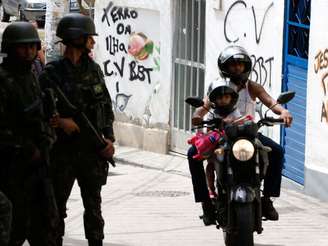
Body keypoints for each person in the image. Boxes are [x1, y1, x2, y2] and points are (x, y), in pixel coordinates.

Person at [188, 45, 293, 225]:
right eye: (233, 65)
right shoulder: (218, 87)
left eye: (240, 65)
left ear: (246, 67)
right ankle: (206, 202)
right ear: (225, 67)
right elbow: (204, 107)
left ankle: (267, 198)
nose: (237, 68)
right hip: (220, 134)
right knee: (192, 155)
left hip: (248, 134)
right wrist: (198, 116)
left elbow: (270, 102)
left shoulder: (252, 87)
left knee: (277, 152)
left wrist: (283, 111)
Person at [39, 13, 115, 246]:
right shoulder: (52, 73)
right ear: (75, 38)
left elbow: (105, 106)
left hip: (91, 150)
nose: (92, 41)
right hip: (63, 151)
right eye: (88, 37)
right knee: (56, 208)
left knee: (93, 206)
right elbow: (40, 109)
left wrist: (109, 139)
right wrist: (60, 121)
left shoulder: (93, 70)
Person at [0, 22, 58, 245]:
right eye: (22, 48)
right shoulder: (4, 80)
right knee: (14, 228)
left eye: (32, 47)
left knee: (47, 226)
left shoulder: (33, 76)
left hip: (38, 167)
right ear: (11, 49)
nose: (29, 52)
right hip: (11, 170)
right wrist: (24, 148)